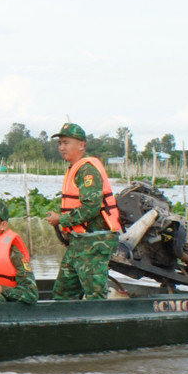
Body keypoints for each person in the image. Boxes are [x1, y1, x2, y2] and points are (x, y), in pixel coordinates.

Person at [43, 122, 122, 301]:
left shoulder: (87, 170)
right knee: (63, 293)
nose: (62, 147)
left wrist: (61, 220)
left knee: (95, 296)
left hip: (95, 242)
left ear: (81, 145)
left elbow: (91, 207)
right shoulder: (75, 168)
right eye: (60, 143)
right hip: (79, 243)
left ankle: (100, 326)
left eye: (66, 142)